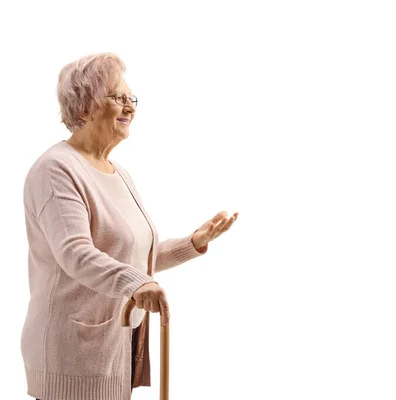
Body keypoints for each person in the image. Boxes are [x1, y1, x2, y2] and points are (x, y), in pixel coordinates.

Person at [21, 52, 238, 400]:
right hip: (71, 353)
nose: (130, 107)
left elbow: (132, 256)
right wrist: (138, 283)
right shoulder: (56, 170)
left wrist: (192, 243)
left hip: (116, 346)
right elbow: (75, 253)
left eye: (131, 98)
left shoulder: (117, 172)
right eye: (118, 98)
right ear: (85, 108)